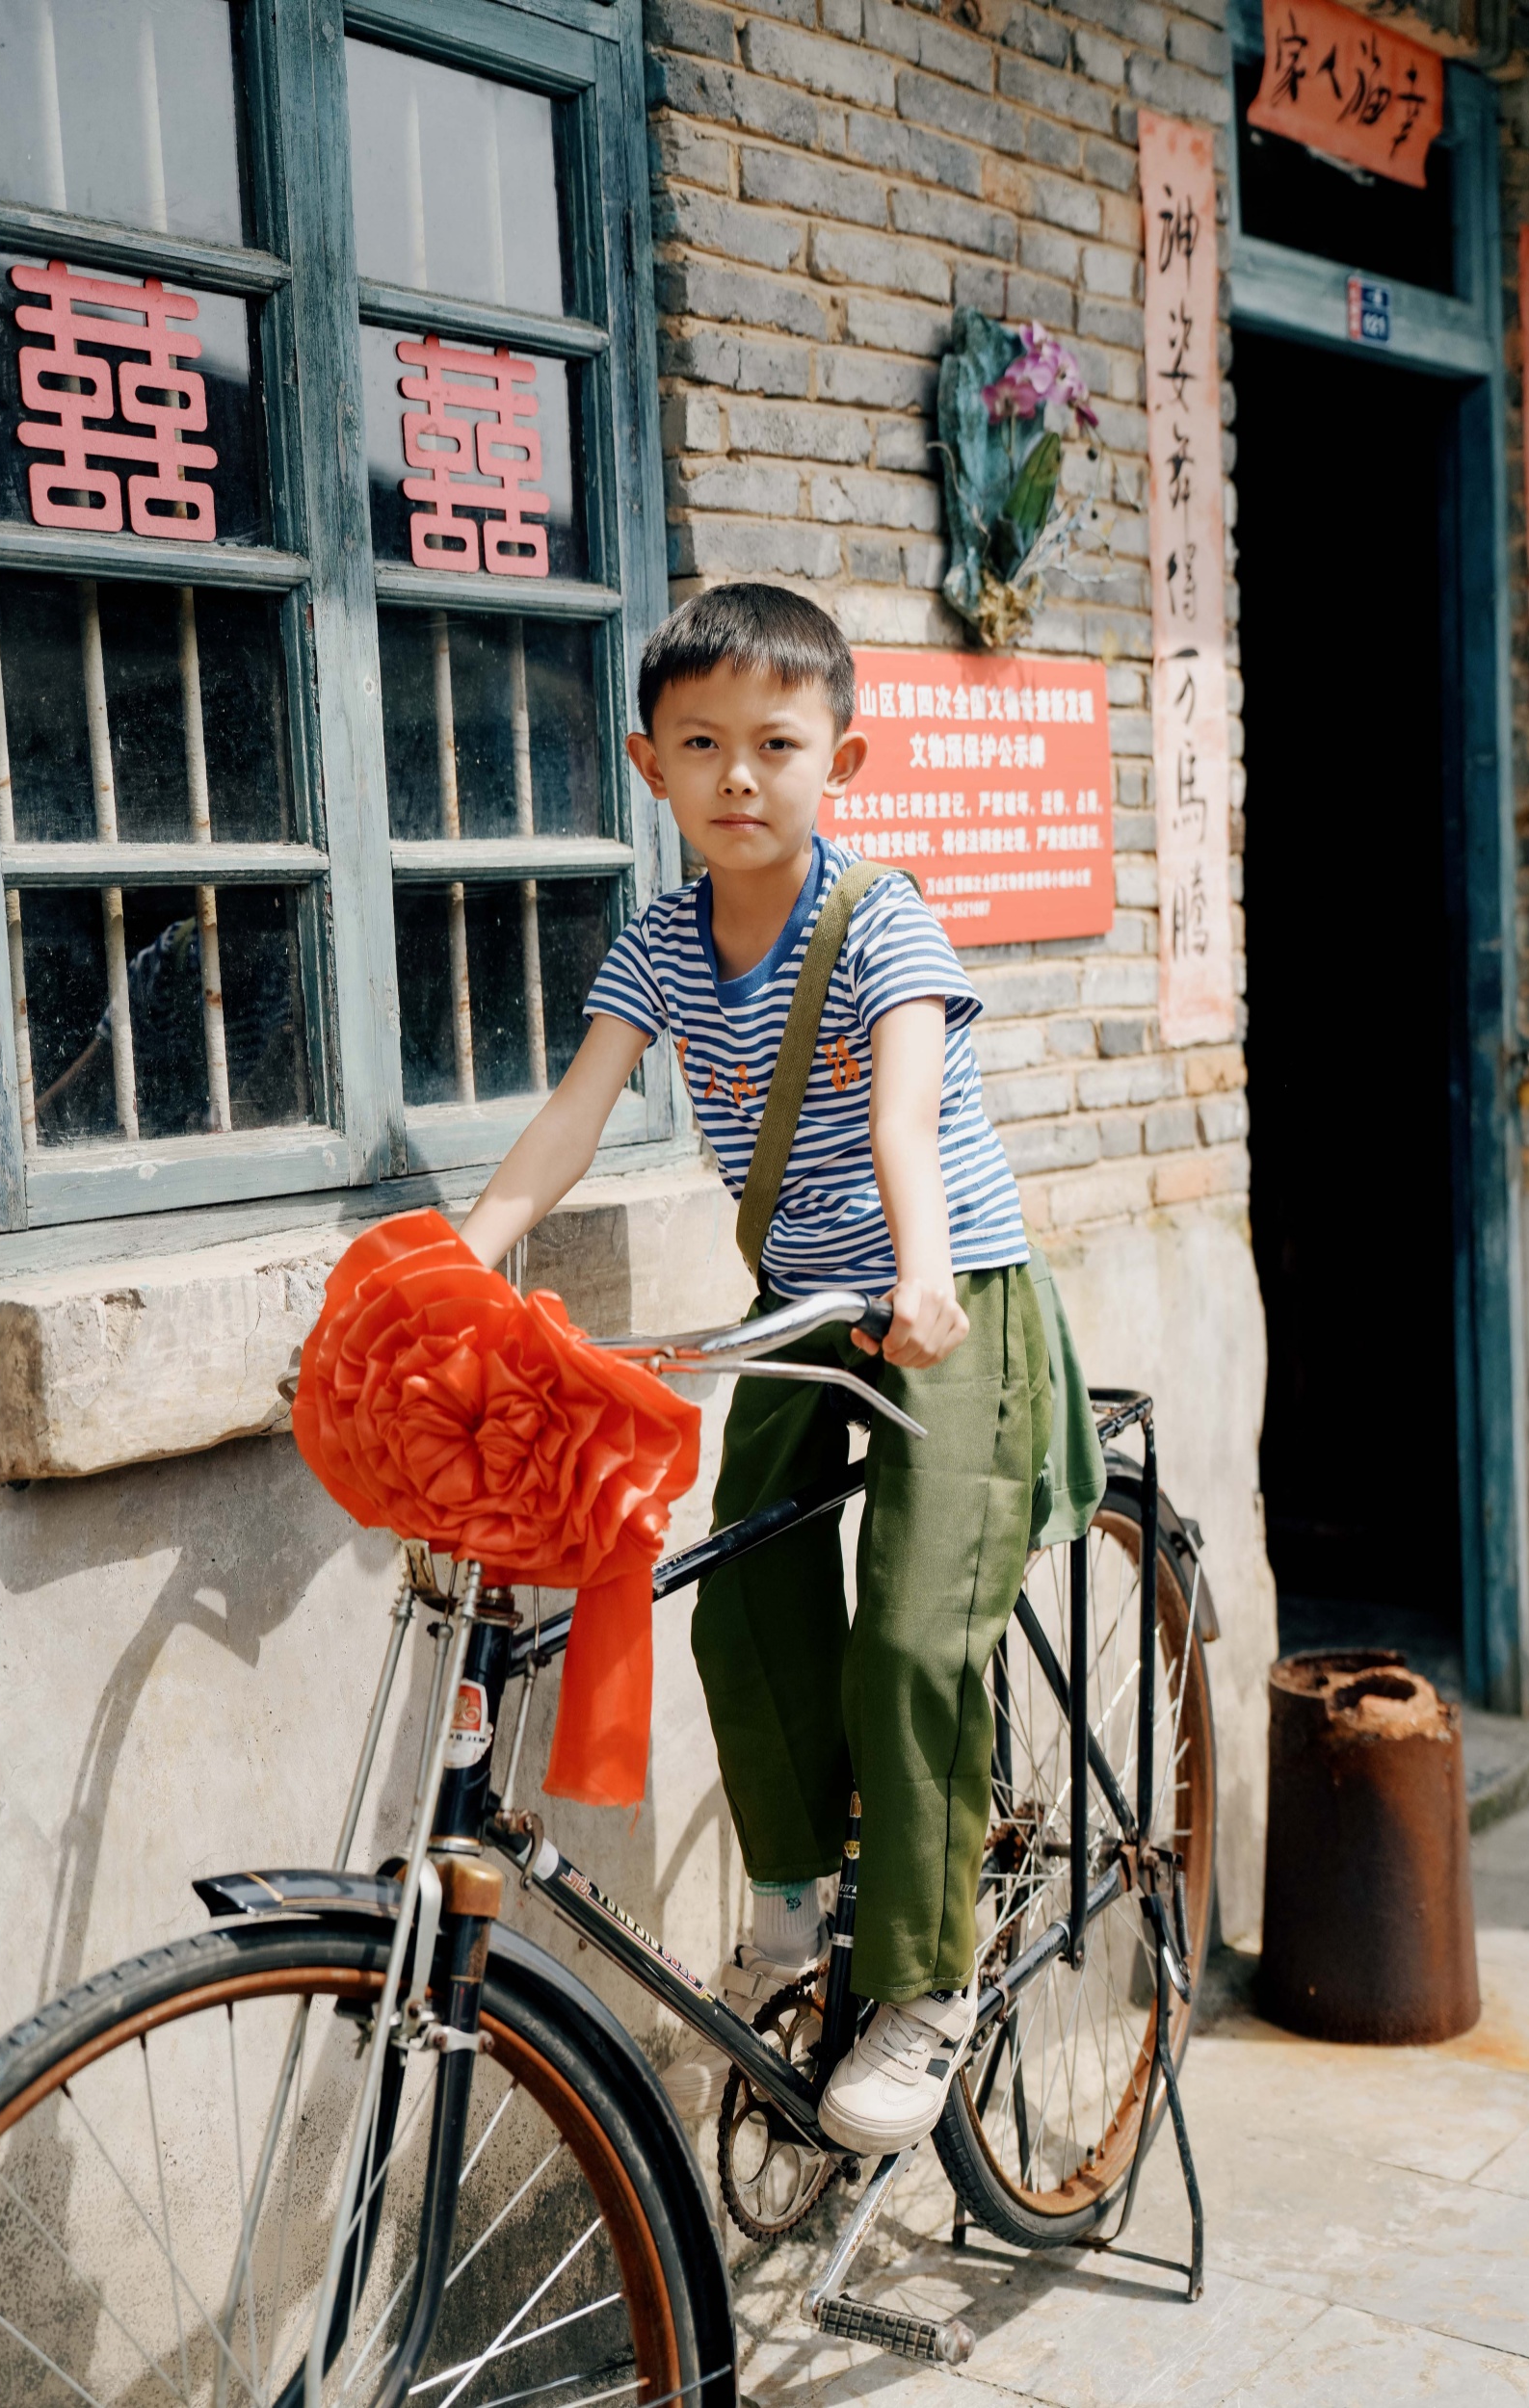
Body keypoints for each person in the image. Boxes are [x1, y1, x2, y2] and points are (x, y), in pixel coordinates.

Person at [460, 583, 1052, 2152]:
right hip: (804, 1300)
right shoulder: (662, 940)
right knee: (737, 1599)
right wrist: (462, 1259)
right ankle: (792, 1894)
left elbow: (902, 1119)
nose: (739, 775)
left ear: (839, 761)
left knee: (913, 1640)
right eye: (701, 742)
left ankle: (930, 1981)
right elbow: (576, 1112)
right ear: (648, 765)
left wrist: (924, 1273)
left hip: (952, 1298)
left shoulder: (882, 920)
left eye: (776, 744)